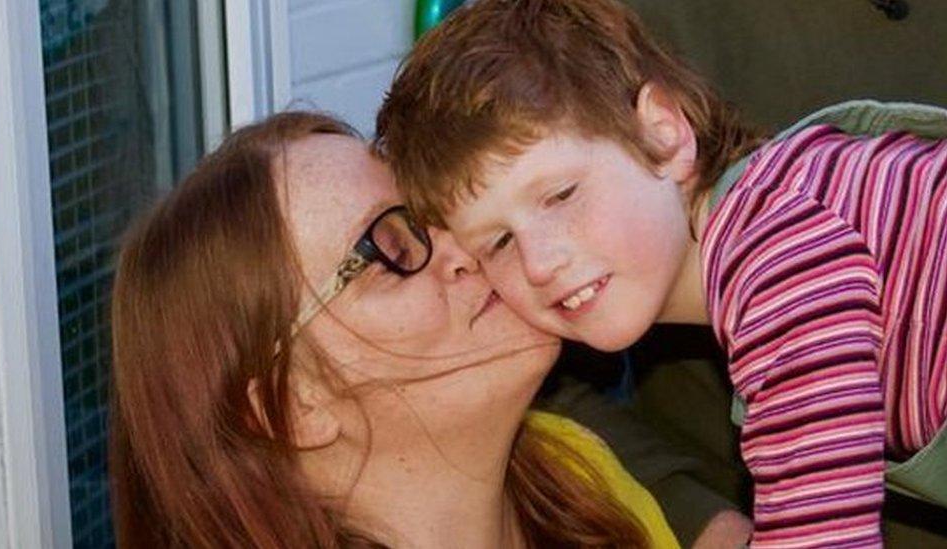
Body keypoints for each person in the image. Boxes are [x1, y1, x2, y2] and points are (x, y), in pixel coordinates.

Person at [373, 0, 947, 546]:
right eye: (498, 242)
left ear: (662, 133)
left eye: (561, 195)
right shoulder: (781, 199)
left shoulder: (776, 260)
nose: (541, 262)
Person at [108, 110, 680, 547]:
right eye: (388, 249)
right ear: (293, 405)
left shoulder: (576, 472)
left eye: (436, 211)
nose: (465, 248)